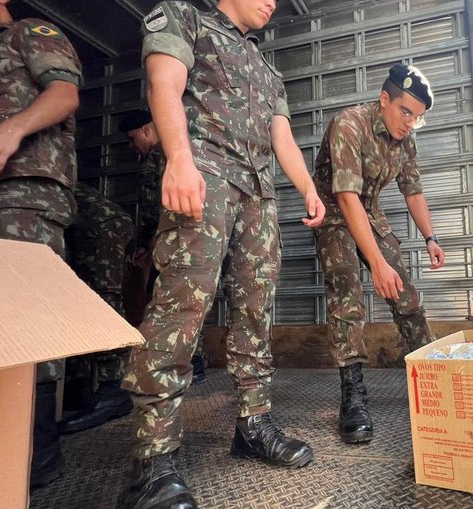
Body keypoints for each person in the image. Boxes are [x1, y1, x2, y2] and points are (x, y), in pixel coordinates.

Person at [116, 0, 326, 507]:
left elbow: (282, 138)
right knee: (181, 309)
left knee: (256, 311)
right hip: (204, 177)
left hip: (258, 193)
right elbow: (163, 84)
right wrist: (179, 160)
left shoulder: (266, 67)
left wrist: (307, 189)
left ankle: (253, 424)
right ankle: (152, 458)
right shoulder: (185, 19)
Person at [0, 0, 81, 488]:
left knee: (28, 314)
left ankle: (35, 451)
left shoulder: (32, 30)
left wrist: (10, 131)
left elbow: (65, 94)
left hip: (25, 184)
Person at [312, 63, 445, 444]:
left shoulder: (405, 140)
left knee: (406, 292)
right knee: (347, 291)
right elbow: (346, 198)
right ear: (384, 98)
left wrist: (430, 238)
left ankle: (434, 377)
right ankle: (352, 396)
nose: (410, 124)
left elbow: (413, 190)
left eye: (417, 118)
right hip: (334, 212)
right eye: (406, 112)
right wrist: (376, 263)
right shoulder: (348, 125)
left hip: (367, 208)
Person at [119, 110, 206, 384]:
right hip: (196, 235)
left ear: (146, 130)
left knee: (161, 299)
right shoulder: (185, 149)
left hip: (168, 239)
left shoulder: (154, 159)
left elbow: (149, 210)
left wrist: (145, 244)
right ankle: (196, 362)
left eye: (133, 139)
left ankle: (167, 364)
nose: (134, 147)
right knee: (192, 297)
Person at [59, 182, 136, 434]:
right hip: (89, 229)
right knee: (77, 299)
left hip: (105, 228)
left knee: (103, 300)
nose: (133, 146)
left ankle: (114, 387)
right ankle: (78, 386)